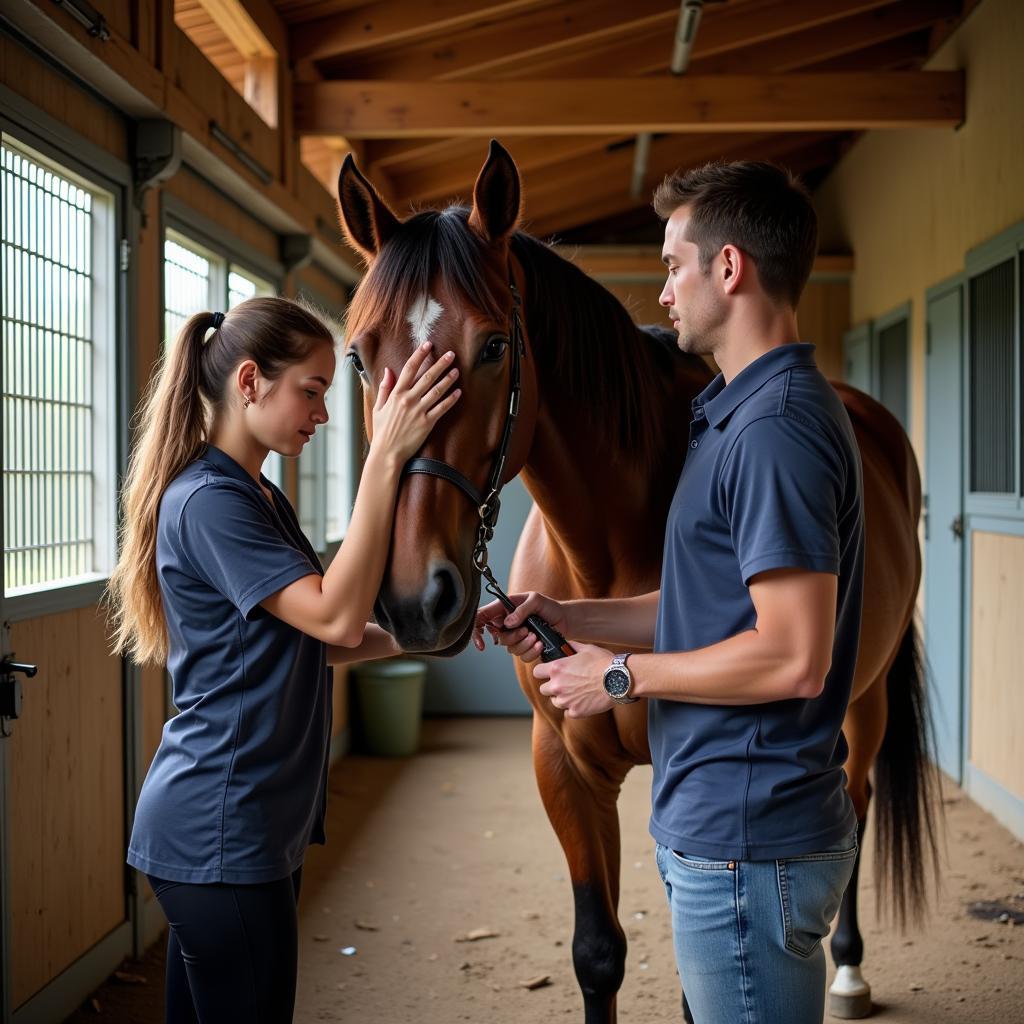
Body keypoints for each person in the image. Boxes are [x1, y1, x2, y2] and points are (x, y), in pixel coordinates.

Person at [475, 161, 865, 1024]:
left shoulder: (775, 430)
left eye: (672, 266)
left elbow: (796, 655)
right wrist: (567, 615)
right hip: (725, 830)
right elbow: (706, 606)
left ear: (728, 269)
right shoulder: (735, 413)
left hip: (749, 841)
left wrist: (616, 677)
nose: (662, 294)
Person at [108, 296, 460, 1023]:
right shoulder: (210, 501)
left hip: (250, 826)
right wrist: (385, 458)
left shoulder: (257, 495)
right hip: (219, 827)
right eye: (312, 389)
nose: (323, 413)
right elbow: (335, 609)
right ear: (248, 383)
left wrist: (445, 629)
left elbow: (324, 639)